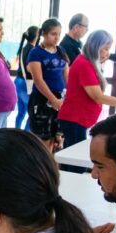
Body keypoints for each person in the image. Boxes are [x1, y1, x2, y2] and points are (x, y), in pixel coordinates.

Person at [57, 30, 116, 148]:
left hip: (79, 119)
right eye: (106, 49)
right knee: (76, 163)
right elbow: (98, 97)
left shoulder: (88, 63)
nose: (108, 53)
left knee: (74, 160)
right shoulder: (84, 64)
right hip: (75, 119)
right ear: (96, 47)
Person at [26, 18, 69, 152]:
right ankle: (40, 169)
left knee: (56, 139)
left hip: (60, 99)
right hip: (42, 99)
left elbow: (66, 77)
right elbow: (38, 80)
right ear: (44, 34)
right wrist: (53, 100)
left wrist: (68, 97)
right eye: (53, 34)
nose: (57, 37)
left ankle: (51, 168)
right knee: (42, 140)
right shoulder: (36, 52)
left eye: (59, 34)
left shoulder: (61, 51)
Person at [13, 26, 37, 130]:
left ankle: (16, 133)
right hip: (26, 83)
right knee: (32, 114)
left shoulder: (24, 48)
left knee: (21, 112)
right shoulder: (33, 50)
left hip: (18, 81)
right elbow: (29, 69)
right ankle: (26, 136)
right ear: (36, 36)